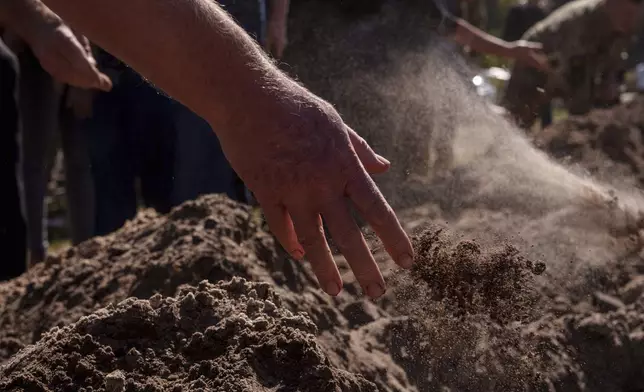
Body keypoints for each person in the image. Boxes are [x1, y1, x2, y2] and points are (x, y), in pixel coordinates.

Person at [0, 0, 109, 277]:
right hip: (29, 56)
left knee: (81, 163)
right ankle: (34, 257)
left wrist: (86, 61)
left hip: (74, 47)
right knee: (32, 165)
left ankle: (87, 255)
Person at [502, 0, 644, 129]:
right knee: (515, 121)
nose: (631, 20)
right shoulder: (580, 23)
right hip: (535, 58)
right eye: (627, 14)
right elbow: (573, 78)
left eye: (635, 14)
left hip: (571, 67)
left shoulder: (622, 26)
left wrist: (611, 83)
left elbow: (613, 62)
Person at [502, 0, 552, 127]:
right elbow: (509, 37)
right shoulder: (518, 11)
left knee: (543, 101)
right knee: (516, 103)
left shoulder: (544, 12)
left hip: (538, 64)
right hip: (523, 63)